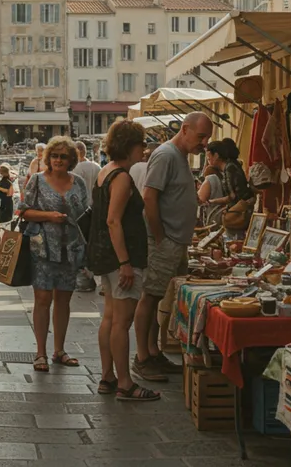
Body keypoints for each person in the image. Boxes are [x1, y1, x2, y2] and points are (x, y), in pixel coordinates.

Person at [133, 112, 213, 382]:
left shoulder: (180, 156)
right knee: (151, 296)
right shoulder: (166, 155)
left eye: (207, 138)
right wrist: (159, 236)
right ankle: (142, 357)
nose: (204, 143)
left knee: (163, 298)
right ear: (185, 129)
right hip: (165, 240)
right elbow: (149, 197)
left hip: (176, 240)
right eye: (201, 136)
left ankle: (154, 352)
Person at [90, 120, 158, 401]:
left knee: (109, 318)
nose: (145, 150)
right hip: (120, 257)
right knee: (121, 322)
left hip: (104, 256)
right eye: (142, 144)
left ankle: (108, 377)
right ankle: (125, 384)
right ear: (131, 146)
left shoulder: (105, 172)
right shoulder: (121, 177)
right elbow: (113, 220)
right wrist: (126, 263)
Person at [18, 136, 90, 373]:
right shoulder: (38, 180)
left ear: (71, 159)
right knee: (42, 299)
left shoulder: (78, 182)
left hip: (71, 248)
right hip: (43, 248)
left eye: (64, 156)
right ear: (48, 158)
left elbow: (86, 213)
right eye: (55, 156)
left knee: (63, 300)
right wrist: (49, 216)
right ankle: (40, 352)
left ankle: (59, 350)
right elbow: (24, 211)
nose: (59, 160)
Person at [71, 140, 103, 292]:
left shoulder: (75, 169)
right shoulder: (97, 167)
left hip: (80, 210)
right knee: (90, 242)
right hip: (94, 209)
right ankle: (89, 275)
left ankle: (83, 276)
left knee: (79, 243)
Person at [196, 142, 229, 228]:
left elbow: (200, 199)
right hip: (227, 219)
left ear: (216, 155)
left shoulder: (211, 179)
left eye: (208, 157)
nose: (208, 159)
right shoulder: (226, 174)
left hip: (214, 221)